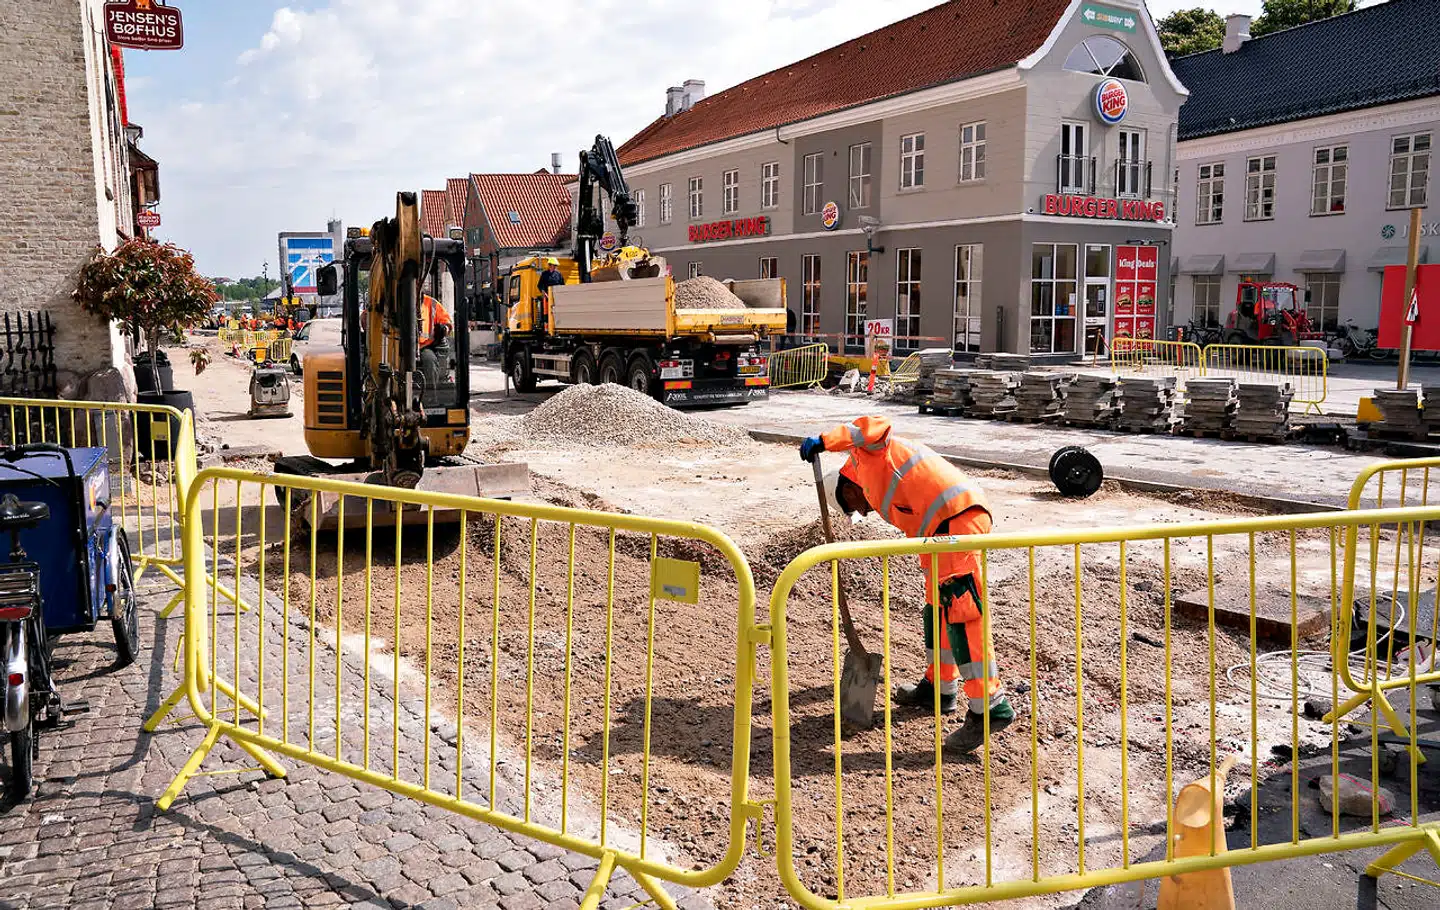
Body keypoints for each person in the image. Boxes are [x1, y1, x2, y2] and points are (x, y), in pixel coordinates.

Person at [800, 416, 1013, 754]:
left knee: (961, 614)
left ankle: (989, 707)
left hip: (958, 519)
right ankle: (939, 689)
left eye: (854, 508)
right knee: (936, 611)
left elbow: (872, 426)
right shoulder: (871, 484)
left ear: (848, 488)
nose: (862, 514)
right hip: (939, 532)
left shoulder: (868, 454)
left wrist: (825, 441)